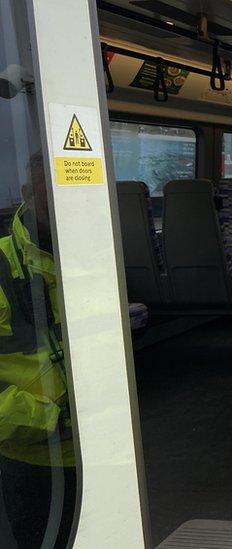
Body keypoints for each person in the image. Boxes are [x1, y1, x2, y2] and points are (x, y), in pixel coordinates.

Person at [0, 152, 76, 547]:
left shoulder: (92, 255)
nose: (64, 198)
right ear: (29, 193)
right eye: (51, 188)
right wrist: (54, 421)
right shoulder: (2, 266)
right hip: (34, 461)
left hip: (103, 447)